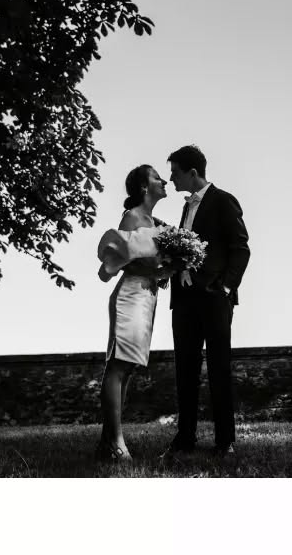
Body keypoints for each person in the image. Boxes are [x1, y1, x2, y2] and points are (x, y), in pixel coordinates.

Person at [163, 145, 250, 460]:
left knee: (219, 369)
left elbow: (241, 248)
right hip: (184, 300)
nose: (171, 179)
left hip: (214, 299)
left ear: (192, 173)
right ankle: (185, 437)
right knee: (184, 370)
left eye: (175, 172)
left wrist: (225, 288)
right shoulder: (186, 209)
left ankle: (225, 441)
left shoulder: (223, 201)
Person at [95, 164, 172, 462]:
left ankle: (106, 442)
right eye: (156, 178)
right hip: (130, 295)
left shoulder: (156, 222)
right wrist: (155, 268)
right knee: (117, 366)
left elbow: (150, 265)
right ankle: (116, 442)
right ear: (143, 186)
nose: (163, 181)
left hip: (147, 297)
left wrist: (169, 268)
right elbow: (125, 259)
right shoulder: (133, 217)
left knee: (127, 369)